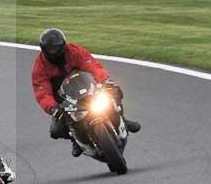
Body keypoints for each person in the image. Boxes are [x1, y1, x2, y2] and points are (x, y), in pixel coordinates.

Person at [31, 28, 141, 157]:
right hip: (64, 99)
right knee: (56, 130)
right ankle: (75, 139)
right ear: (43, 49)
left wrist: (105, 81)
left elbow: (93, 66)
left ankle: (122, 119)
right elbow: (42, 92)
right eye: (50, 49)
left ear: (63, 45)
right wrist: (53, 107)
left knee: (114, 91)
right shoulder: (39, 67)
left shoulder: (75, 51)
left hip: (88, 88)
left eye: (56, 48)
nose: (53, 52)